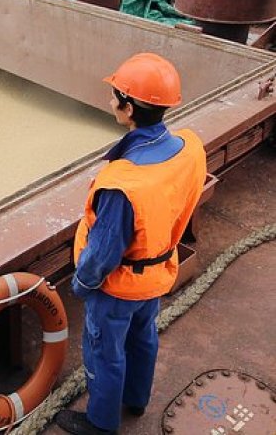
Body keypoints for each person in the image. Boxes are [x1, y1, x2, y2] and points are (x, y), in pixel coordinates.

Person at [55, 53, 206, 435]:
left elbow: (103, 254)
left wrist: (82, 285)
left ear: (128, 107)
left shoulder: (123, 185)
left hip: (117, 287)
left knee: (105, 353)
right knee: (143, 339)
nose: (110, 102)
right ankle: (137, 400)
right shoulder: (188, 149)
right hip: (157, 275)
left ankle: (101, 424)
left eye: (114, 96)